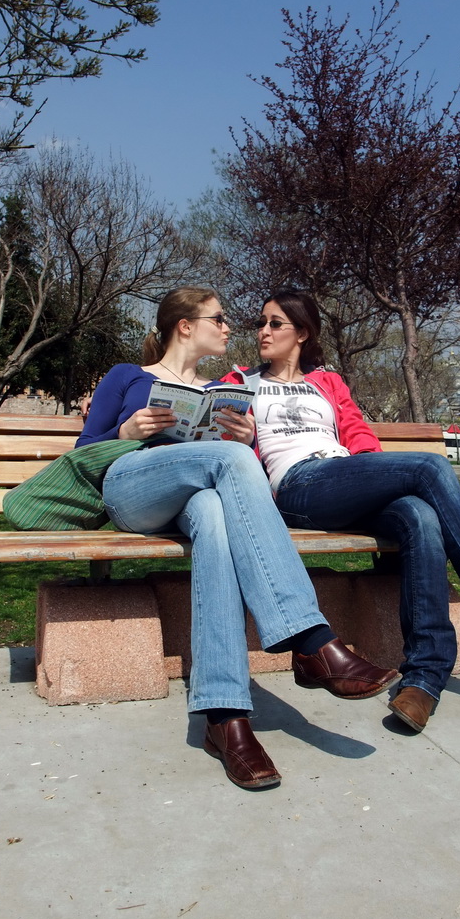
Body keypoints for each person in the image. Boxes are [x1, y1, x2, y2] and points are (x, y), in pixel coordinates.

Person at [222, 290, 460, 734]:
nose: (262, 331)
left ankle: (424, 678)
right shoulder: (238, 383)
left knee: (420, 516)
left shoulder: (327, 383)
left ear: (302, 333)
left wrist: (368, 470)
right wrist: (245, 436)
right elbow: (228, 456)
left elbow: (359, 434)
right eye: (261, 323)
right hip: (298, 487)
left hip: (347, 477)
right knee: (430, 464)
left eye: (275, 324)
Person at [77, 286, 399, 789]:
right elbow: (86, 449)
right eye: (219, 318)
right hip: (132, 489)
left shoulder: (216, 390)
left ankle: (225, 719)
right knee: (227, 460)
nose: (231, 328)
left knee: (214, 510)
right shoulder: (128, 377)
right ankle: (313, 640)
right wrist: (127, 431)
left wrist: (246, 439)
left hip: (190, 501)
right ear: (185, 325)